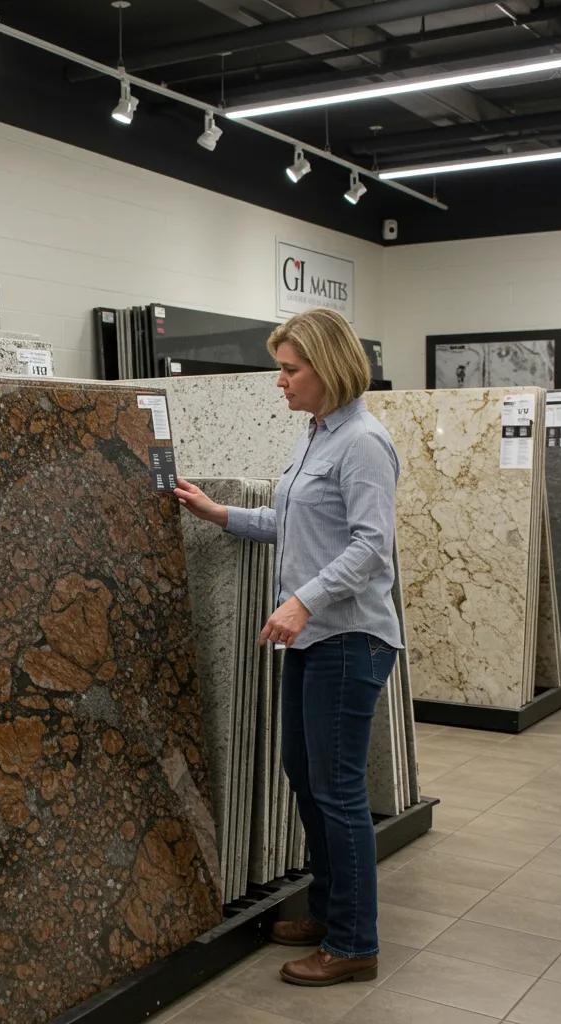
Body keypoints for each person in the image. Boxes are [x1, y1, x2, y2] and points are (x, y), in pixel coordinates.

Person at [175, 307, 401, 987]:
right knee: (305, 776)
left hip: (347, 637)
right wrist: (222, 515)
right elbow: (295, 524)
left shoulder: (362, 442)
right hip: (317, 638)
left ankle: (355, 942)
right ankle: (332, 912)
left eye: (289, 368)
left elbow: (370, 545)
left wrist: (302, 601)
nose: (279, 381)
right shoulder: (316, 436)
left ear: (326, 367)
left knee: (337, 792)